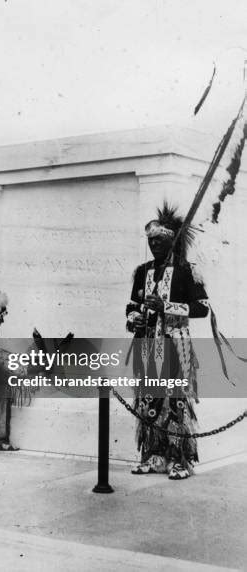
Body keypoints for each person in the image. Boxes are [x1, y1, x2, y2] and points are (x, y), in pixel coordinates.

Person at [126, 203, 208, 480]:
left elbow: (202, 308)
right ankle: (154, 455)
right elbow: (131, 306)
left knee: (176, 403)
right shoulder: (142, 271)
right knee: (149, 401)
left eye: (159, 240)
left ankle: (179, 460)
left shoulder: (186, 271)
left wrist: (167, 306)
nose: (154, 245)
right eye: (150, 241)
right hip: (149, 345)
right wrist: (135, 318)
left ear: (172, 240)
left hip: (176, 344)